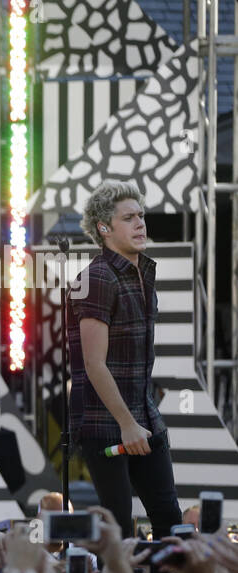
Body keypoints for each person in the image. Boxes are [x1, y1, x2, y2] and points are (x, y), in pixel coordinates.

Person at [66, 181, 181, 538]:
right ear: (104, 228)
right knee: (119, 529)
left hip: (143, 415)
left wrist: (140, 420)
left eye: (141, 216)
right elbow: (93, 364)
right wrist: (127, 424)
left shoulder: (143, 274)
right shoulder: (98, 277)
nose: (140, 224)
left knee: (170, 519)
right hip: (107, 422)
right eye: (129, 218)